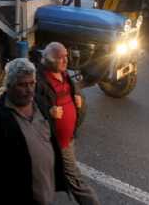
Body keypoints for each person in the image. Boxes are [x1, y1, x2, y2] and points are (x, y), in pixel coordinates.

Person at [0, 58, 67, 205]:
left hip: (45, 192)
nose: (29, 90)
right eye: (22, 85)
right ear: (9, 86)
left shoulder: (40, 103)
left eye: (32, 83)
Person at [36, 42, 100, 205]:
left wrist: (77, 102)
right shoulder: (38, 80)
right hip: (57, 142)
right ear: (49, 60)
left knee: (45, 174)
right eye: (61, 58)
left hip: (68, 138)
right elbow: (30, 106)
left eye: (66, 56)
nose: (66, 60)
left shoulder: (64, 74)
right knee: (75, 179)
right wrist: (48, 112)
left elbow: (73, 92)